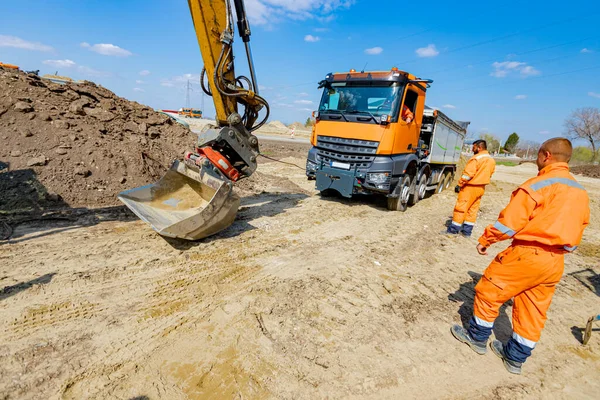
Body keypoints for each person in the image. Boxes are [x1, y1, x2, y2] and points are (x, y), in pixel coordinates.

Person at [451, 138, 590, 375]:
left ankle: (476, 337)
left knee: (489, 291)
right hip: (555, 261)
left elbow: (510, 223)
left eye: (537, 156)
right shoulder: (580, 191)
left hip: (526, 254)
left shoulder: (538, 185)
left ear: (546, 155)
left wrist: (486, 240)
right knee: (533, 309)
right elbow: (581, 225)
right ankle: (515, 358)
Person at [446, 140, 496, 236]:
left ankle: (453, 230)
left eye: (473, 147)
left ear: (479, 147)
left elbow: (467, 175)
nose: (472, 149)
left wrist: (459, 184)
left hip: (470, 187)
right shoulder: (491, 160)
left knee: (461, 208)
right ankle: (467, 232)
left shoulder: (476, 159)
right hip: (481, 188)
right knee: (472, 210)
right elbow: (490, 173)